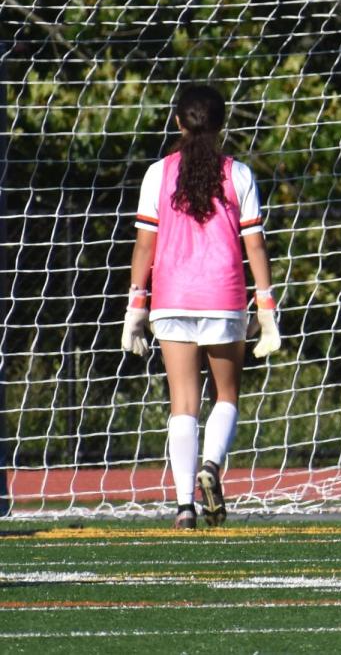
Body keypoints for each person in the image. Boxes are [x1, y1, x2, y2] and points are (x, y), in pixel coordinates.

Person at [121, 85, 281, 530]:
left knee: (182, 404)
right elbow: (256, 245)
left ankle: (184, 507)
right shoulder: (240, 174)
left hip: (171, 297)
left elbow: (144, 245)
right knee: (226, 395)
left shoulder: (158, 173)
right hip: (224, 297)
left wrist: (136, 304)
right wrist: (265, 307)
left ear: (176, 121)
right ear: (222, 123)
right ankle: (212, 465)